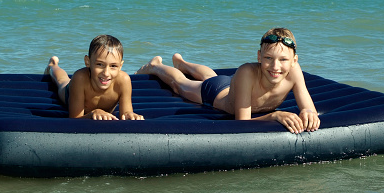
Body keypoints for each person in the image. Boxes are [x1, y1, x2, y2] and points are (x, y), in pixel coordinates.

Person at [136, 27, 319, 133]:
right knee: (180, 85)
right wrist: (275, 115)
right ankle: (155, 66)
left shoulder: (295, 71)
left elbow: (308, 108)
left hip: (229, 84)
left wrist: (309, 113)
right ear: (259, 57)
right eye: (268, 58)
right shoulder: (247, 72)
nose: (275, 66)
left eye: (283, 60)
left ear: (294, 60)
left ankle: (182, 62)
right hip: (216, 94)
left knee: (210, 76)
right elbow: (243, 122)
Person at [45, 34, 144, 120]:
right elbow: (74, 119)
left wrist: (130, 115)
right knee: (62, 80)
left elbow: (126, 113)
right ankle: (53, 65)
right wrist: (93, 114)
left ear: (120, 66)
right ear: (88, 61)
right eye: (100, 64)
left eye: (113, 66)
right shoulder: (80, 78)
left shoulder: (123, 80)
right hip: (68, 93)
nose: (106, 73)